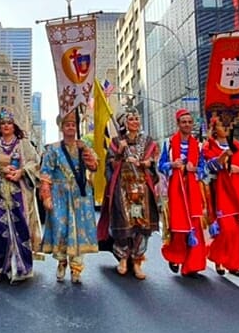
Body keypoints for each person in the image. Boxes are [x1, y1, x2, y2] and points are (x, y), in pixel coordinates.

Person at [0, 108, 42, 284]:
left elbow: (35, 162)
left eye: (9, 123)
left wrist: (22, 172)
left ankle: (20, 266)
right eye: (3, 123)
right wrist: (0, 170)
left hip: (19, 194)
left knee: (21, 229)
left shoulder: (24, 145)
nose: (6, 126)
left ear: (14, 126)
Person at [98, 107, 159, 280]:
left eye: (137, 119)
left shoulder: (147, 141)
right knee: (123, 222)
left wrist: (146, 163)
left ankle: (138, 260)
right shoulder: (117, 141)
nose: (135, 122)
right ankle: (123, 258)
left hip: (142, 189)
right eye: (131, 119)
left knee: (142, 225)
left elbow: (154, 161)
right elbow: (109, 164)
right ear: (125, 123)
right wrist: (119, 152)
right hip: (122, 189)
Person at [39, 111, 100, 283]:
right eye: (67, 125)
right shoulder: (53, 149)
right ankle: (61, 262)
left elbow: (94, 166)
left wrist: (88, 156)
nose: (71, 127)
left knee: (79, 231)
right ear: (61, 127)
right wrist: (46, 196)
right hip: (59, 195)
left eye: (73, 124)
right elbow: (45, 174)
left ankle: (76, 269)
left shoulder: (84, 146)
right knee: (61, 229)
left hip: (81, 195)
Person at [202, 114, 239, 276]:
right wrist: (223, 158)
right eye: (221, 125)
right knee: (227, 230)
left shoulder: (236, 145)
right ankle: (217, 256)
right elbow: (208, 168)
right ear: (214, 129)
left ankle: (234, 264)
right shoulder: (208, 147)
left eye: (227, 125)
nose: (225, 128)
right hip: (219, 192)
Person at [159, 108, 208, 277]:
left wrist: (195, 169)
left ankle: (192, 265)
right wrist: (172, 165)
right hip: (176, 188)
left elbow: (204, 169)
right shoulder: (169, 144)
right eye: (183, 122)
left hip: (193, 188)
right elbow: (161, 165)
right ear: (178, 124)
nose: (187, 124)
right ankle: (175, 257)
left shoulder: (198, 145)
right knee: (178, 226)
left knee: (194, 224)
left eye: (189, 122)